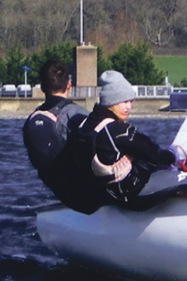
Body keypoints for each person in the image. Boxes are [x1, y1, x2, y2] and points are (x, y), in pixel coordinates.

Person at [68, 70, 178, 206]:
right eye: (124, 102)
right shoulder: (118, 130)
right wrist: (173, 156)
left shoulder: (85, 124)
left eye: (130, 101)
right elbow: (154, 153)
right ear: (111, 102)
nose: (129, 107)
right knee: (183, 178)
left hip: (96, 193)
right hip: (125, 194)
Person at [23, 60, 99, 213]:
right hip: (86, 192)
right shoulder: (76, 114)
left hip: (58, 188)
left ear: (42, 88)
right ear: (68, 85)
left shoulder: (32, 119)